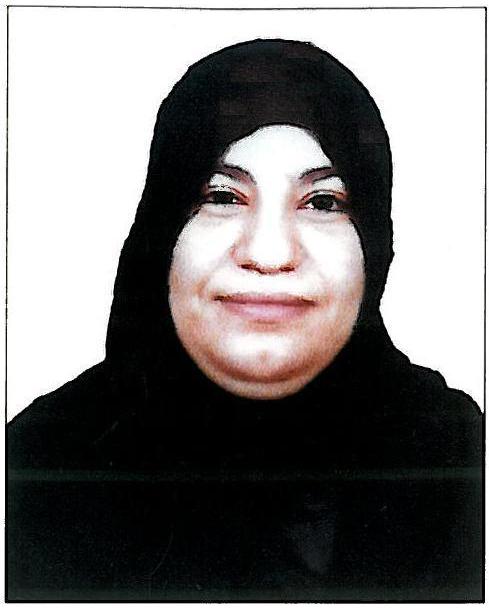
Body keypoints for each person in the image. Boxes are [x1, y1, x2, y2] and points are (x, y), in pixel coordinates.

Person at [8, 39, 482, 601]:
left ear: (374, 245)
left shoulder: (458, 462)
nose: (269, 252)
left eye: (323, 202)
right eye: (223, 196)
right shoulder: (38, 467)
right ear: (161, 232)